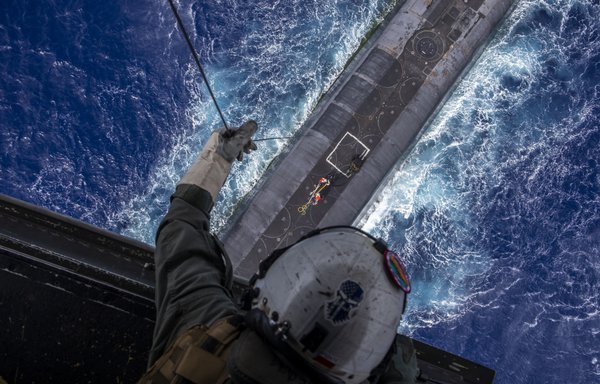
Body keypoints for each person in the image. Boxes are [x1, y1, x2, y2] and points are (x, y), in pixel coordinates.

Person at [139, 121, 418, 384]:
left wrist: (220, 157)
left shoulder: (204, 326)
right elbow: (180, 228)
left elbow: (180, 227)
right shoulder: (202, 316)